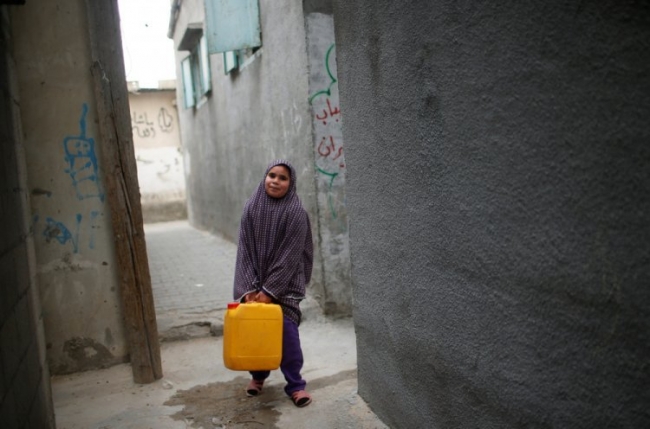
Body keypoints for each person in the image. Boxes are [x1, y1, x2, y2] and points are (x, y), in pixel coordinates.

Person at [233, 159, 314, 408]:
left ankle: (296, 386)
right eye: (272, 175)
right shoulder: (251, 208)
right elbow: (244, 250)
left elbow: (290, 256)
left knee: (288, 339)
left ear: (291, 184)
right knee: (256, 336)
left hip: (285, 288)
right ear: (264, 177)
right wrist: (250, 288)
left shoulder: (296, 213)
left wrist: (270, 291)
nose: (275, 181)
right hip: (255, 287)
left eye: (283, 178)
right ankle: (258, 377)